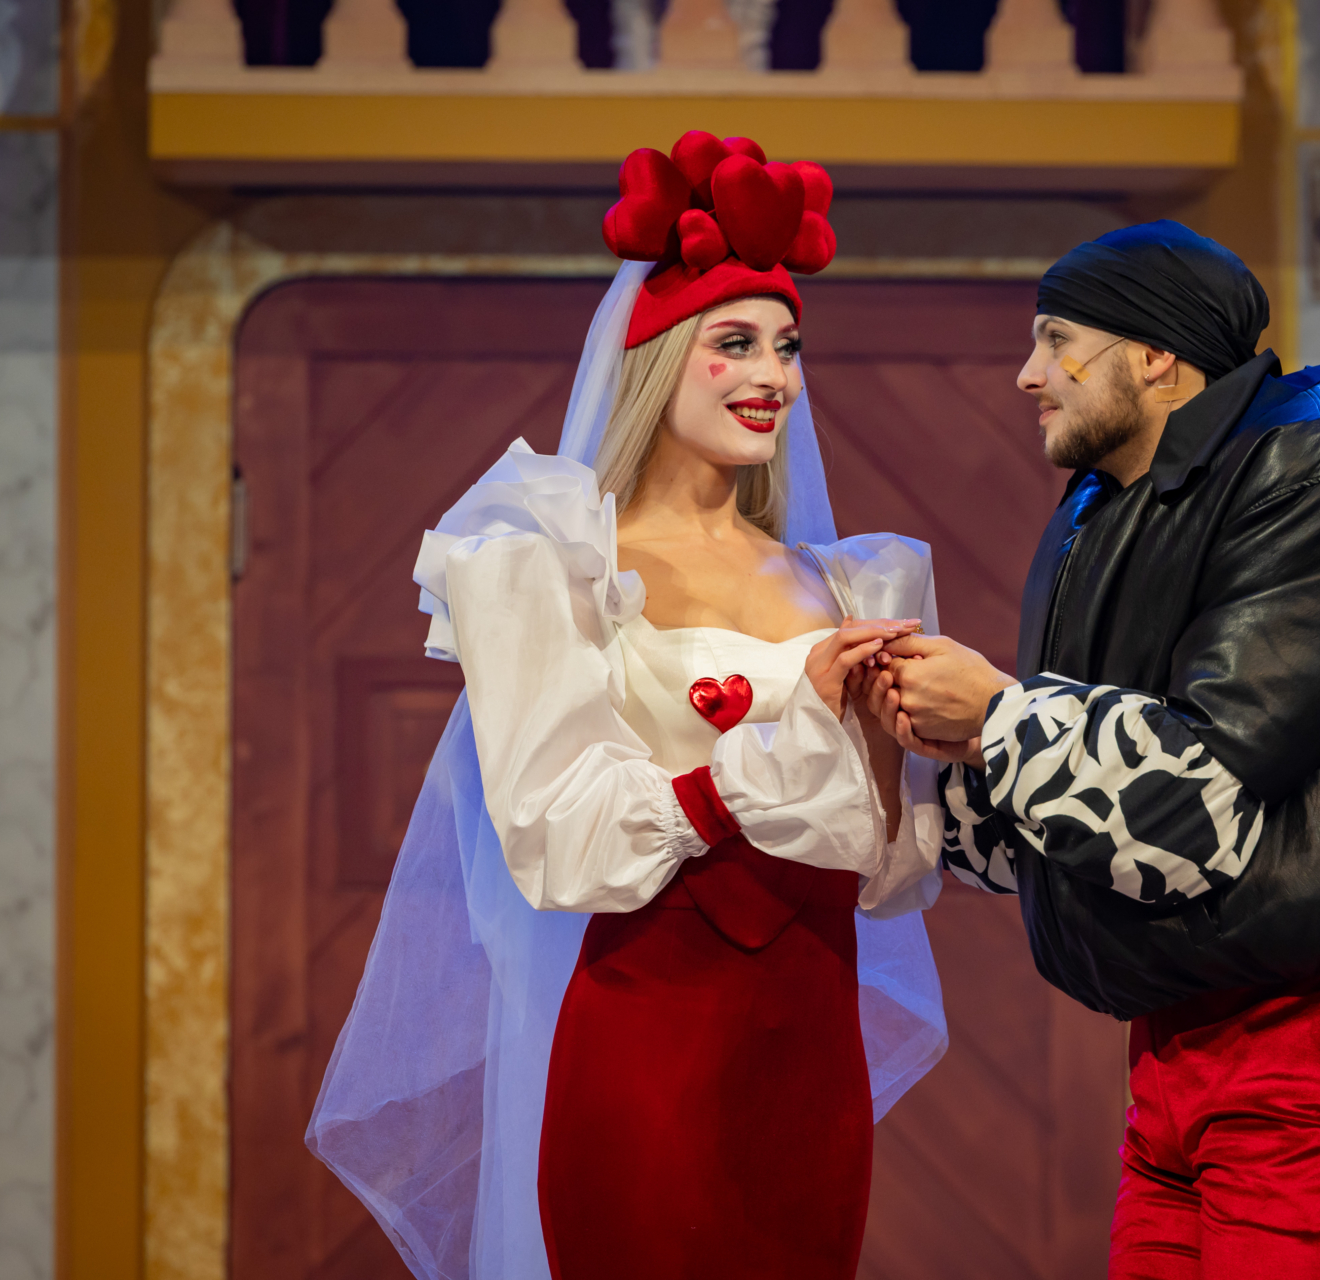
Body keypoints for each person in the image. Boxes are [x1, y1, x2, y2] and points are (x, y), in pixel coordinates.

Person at [307, 131, 949, 1280]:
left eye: (789, 346)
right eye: (735, 342)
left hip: (812, 1061)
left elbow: (889, 877)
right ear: (656, 359)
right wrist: (789, 724)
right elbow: (561, 837)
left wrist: (890, 742)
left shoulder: (853, 584)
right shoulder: (556, 568)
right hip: (652, 1044)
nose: (774, 375)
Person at [868, 220, 1320, 1279]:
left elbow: (1195, 801)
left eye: (1056, 340)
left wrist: (995, 715)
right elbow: (1089, 805)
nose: (1027, 374)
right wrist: (891, 761)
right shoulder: (1120, 503)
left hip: (1316, 1028)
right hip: (1187, 1032)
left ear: (1154, 355)